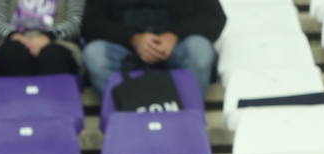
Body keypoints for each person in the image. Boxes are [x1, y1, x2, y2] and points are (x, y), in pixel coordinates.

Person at [80, 0, 225, 99]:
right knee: (95, 53)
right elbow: (90, 23)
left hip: (176, 49)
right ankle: (125, 117)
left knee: (199, 48)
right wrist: (133, 38)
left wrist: (175, 35)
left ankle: (188, 117)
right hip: (125, 50)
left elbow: (214, 18)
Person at [0, 0, 85, 78]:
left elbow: (76, 22)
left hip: (58, 41)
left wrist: (49, 37)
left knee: (53, 57)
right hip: (12, 41)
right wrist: (14, 35)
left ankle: (54, 105)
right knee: (12, 54)